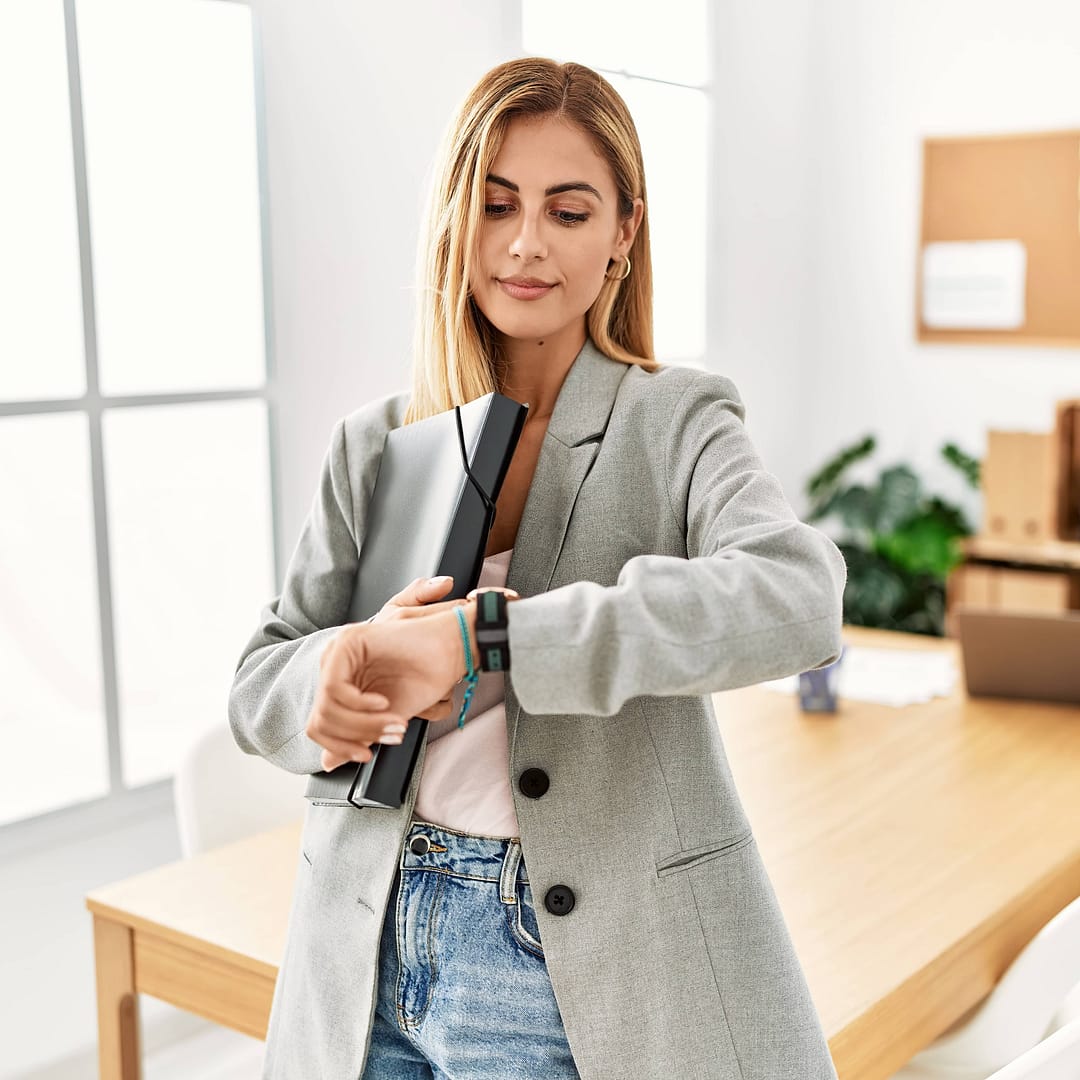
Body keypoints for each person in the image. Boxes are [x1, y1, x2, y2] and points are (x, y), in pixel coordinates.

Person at [229, 56, 847, 1080]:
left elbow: (797, 596)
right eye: (497, 203)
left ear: (623, 235)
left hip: (565, 958)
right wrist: (331, 680)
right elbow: (262, 678)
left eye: (568, 211)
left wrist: (493, 641)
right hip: (363, 944)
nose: (524, 243)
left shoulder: (676, 419)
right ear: (456, 217)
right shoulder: (375, 442)